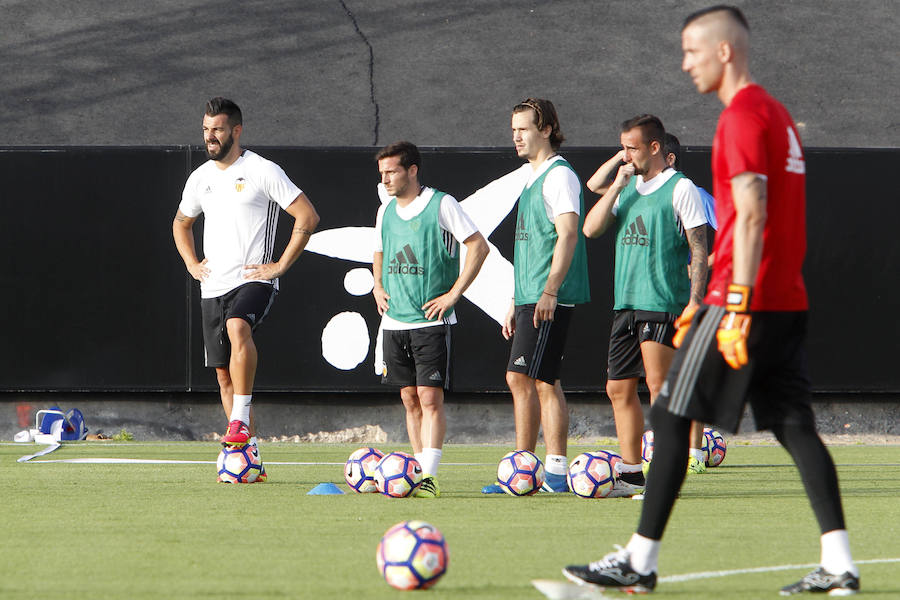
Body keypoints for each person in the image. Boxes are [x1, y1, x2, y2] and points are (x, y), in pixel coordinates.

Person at [564, 6, 858, 595]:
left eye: (692, 51)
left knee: (670, 414)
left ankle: (639, 563)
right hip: (785, 301)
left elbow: (747, 216)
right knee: (795, 425)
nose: (684, 63)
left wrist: (736, 303)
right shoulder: (778, 117)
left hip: (742, 300)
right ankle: (840, 563)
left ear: (725, 51)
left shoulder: (742, 119)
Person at [173, 97, 320, 481]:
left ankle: (238, 421)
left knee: (239, 326)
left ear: (236, 131)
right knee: (224, 376)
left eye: (217, 129)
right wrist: (192, 263)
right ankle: (248, 452)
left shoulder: (260, 170)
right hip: (212, 287)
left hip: (254, 279)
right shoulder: (200, 177)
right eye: (206, 129)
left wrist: (281, 265)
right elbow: (180, 223)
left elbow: (307, 215)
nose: (210, 136)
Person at [583, 115, 709, 492]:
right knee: (617, 389)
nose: (625, 155)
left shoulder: (680, 188)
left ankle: (670, 470)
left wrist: (695, 301)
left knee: (658, 386)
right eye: (622, 147)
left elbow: (699, 248)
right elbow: (590, 229)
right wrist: (618, 182)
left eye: (632, 147)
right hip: (626, 302)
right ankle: (633, 474)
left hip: (662, 301)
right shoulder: (627, 187)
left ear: (655, 148)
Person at [483, 98, 591, 493]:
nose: (516, 136)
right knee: (524, 378)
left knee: (540, 380)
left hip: (550, 295)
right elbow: (528, 246)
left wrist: (548, 290)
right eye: (514, 129)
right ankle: (524, 468)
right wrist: (516, 300)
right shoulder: (530, 176)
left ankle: (555, 473)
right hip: (529, 294)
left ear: (546, 129)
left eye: (524, 128)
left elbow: (568, 234)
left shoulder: (559, 175)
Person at [373, 141, 489, 498]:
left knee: (429, 397)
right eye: (382, 173)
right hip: (394, 322)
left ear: (412, 170)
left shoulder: (442, 204)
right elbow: (378, 250)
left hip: (430, 322)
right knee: (409, 398)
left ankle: (429, 476)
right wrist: (377, 285)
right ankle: (416, 469)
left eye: (391, 171)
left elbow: (478, 246)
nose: (386, 179)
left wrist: (454, 295)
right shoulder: (386, 210)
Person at [664, 131, 717, 473]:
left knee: (690, 373)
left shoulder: (692, 193)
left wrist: (692, 271)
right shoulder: (647, 193)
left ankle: (695, 452)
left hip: (692, 299)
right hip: (659, 298)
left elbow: (732, 239)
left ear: (667, 158)